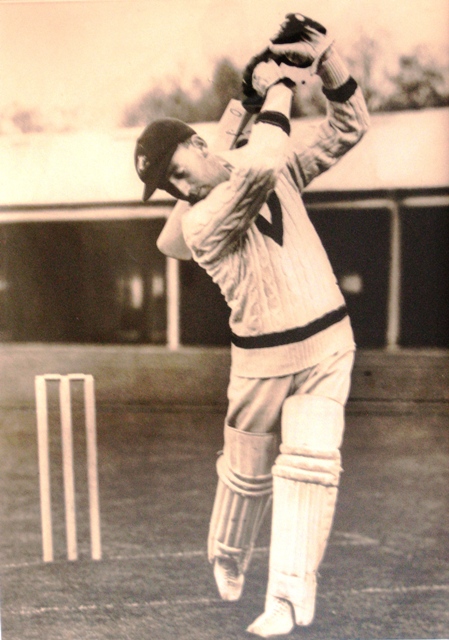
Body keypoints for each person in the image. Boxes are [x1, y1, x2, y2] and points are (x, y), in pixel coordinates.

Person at [134, 13, 369, 638]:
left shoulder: (262, 158)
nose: (180, 186)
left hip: (327, 342)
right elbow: (257, 168)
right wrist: (279, 86)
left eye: (178, 167)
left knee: (312, 461)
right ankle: (228, 552)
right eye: (170, 185)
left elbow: (351, 127)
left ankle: (289, 598)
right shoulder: (202, 223)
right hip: (261, 362)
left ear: (201, 144)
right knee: (246, 471)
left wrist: (325, 63)